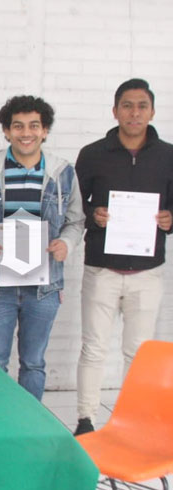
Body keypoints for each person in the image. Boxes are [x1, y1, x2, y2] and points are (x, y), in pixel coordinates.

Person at [0, 95, 84, 400]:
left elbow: (76, 221)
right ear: (6, 131)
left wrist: (66, 243)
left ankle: (30, 423)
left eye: (34, 126)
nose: (26, 133)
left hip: (43, 288)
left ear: (45, 131)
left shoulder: (63, 173)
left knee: (33, 363)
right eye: (18, 126)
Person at [74, 78, 173, 434]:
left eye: (142, 106)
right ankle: (86, 420)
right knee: (94, 348)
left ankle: (135, 421)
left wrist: (170, 219)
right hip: (101, 269)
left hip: (147, 272)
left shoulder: (168, 156)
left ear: (153, 112)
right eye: (127, 106)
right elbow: (72, 206)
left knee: (138, 352)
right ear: (115, 111)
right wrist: (94, 215)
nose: (134, 113)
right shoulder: (92, 153)